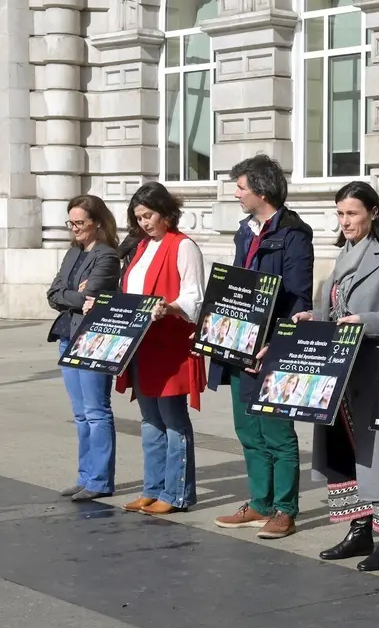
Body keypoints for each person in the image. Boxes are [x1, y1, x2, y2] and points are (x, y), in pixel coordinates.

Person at [294, 180, 379, 571]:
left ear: (373, 213)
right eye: (340, 213)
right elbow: (335, 310)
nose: (345, 221)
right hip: (341, 371)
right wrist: (312, 317)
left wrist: (363, 321)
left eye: (352, 213)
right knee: (346, 451)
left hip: (377, 368)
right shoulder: (343, 254)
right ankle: (359, 529)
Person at [210, 155, 314, 539]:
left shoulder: (293, 235)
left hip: (273, 348)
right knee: (248, 429)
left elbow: (298, 299)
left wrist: (273, 344)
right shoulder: (245, 231)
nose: (236, 193)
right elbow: (238, 288)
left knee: (278, 431)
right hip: (240, 345)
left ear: (261, 190)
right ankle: (259, 503)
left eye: (240, 187)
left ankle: (285, 509)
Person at [116, 182, 207, 515]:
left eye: (149, 215)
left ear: (166, 212)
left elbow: (194, 295)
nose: (144, 223)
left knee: (172, 419)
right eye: (139, 217)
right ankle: (152, 488)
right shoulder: (141, 248)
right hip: (143, 345)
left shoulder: (183, 246)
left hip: (170, 345)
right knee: (149, 420)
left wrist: (169, 307)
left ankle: (177, 492)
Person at [47, 195, 122, 502]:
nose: (75, 228)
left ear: (97, 223)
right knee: (80, 414)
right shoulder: (72, 254)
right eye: (71, 222)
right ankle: (85, 475)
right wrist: (73, 296)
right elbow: (53, 294)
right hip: (67, 336)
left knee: (96, 411)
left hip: (93, 340)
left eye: (80, 222)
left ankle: (101, 479)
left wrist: (73, 295)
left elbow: (94, 297)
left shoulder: (106, 256)